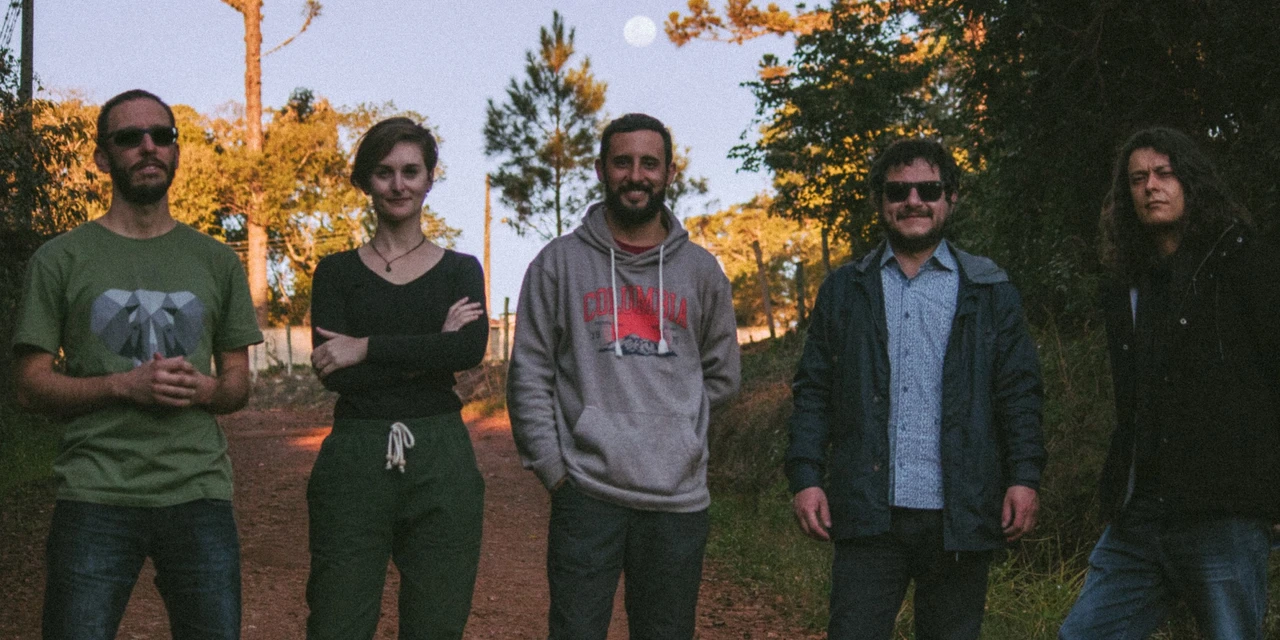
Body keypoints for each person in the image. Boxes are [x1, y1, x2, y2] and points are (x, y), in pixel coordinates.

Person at [12, 89, 262, 640]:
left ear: (176, 151)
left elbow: (237, 385)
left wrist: (202, 390)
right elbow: (29, 386)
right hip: (94, 493)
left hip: (199, 492)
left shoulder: (217, 260)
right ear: (102, 158)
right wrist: (125, 386)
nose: (148, 147)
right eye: (129, 137)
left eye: (162, 135)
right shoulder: (60, 259)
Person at [786, 138, 1046, 640]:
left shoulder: (990, 289)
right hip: (869, 513)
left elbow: (1019, 393)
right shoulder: (844, 290)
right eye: (898, 191)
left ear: (950, 197)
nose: (913, 201)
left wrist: (1025, 477)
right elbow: (814, 391)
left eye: (928, 189)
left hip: (960, 514)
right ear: (879, 201)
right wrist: (806, 477)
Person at [507, 113, 741, 639]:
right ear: (600, 170)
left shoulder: (701, 272)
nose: (636, 175)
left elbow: (722, 376)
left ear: (669, 173)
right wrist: (555, 471)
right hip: (586, 494)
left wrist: (679, 438)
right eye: (622, 162)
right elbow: (530, 373)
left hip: (677, 502)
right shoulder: (558, 264)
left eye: (649, 163)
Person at [1059, 127, 1279, 639]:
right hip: (1141, 515)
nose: (1151, 187)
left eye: (1164, 173)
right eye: (1137, 179)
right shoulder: (1126, 283)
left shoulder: (1242, 262)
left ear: (1190, 181)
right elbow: (1131, 403)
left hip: (1223, 511)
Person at [304, 117, 488, 640]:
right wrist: (433, 347)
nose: (398, 184)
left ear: (430, 179)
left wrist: (364, 347)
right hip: (354, 455)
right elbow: (337, 376)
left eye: (411, 171)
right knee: (337, 619)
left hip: (442, 455)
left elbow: (467, 349)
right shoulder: (336, 272)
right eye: (384, 172)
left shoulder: (460, 270)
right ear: (366, 180)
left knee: (437, 621)